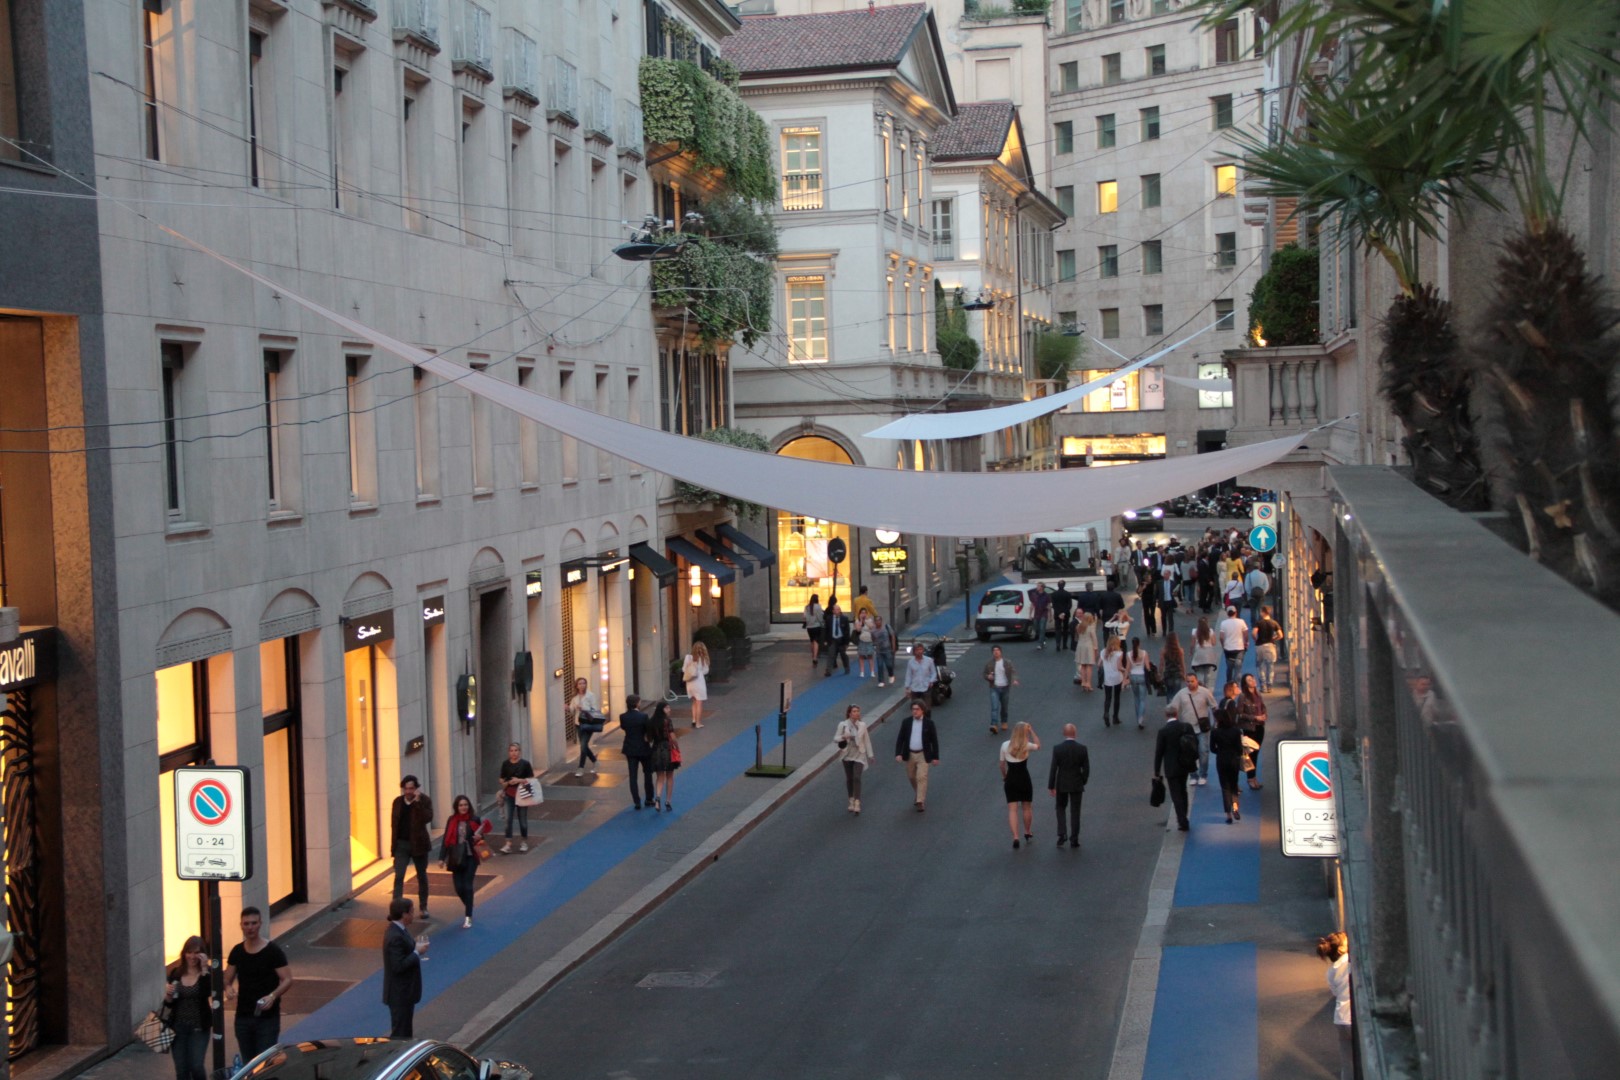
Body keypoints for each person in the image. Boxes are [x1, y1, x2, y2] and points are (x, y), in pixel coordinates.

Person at [224, 907, 291, 1062]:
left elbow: (287, 979)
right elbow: (227, 978)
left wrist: (272, 996)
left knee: (265, 1062)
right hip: (243, 1016)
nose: (250, 927)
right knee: (249, 1063)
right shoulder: (237, 951)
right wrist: (228, 988)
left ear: (260, 924)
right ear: (241, 925)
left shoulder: (272, 951)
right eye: (246, 924)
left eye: (254, 923)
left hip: (267, 1018)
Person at [437, 794, 491, 928]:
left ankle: (468, 916)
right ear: (456, 807)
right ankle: (469, 903)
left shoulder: (474, 819)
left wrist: (479, 837)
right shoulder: (451, 820)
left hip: (470, 856)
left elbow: (481, 838)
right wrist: (441, 858)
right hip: (455, 857)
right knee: (458, 887)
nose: (463, 807)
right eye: (461, 805)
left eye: (466, 805)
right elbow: (445, 840)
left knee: (467, 886)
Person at [164, 936, 212, 1080]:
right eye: (189, 952)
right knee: (181, 1069)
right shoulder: (176, 973)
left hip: (199, 1027)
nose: (192, 956)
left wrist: (204, 968)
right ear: (184, 953)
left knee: (196, 1066)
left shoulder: (207, 973)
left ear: (202, 954)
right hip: (178, 1027)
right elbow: (169, 1003)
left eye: (196, 952)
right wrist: (168, 994)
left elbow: (207, 992)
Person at [381, 897, 427, 1038]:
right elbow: (398, 966)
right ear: (404, 914)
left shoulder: (400, 930)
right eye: (412, 912)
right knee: (401, 1034)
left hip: (405, 993)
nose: (413, 915)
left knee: (405, 1031)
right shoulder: (395, 936)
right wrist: (417, 952)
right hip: (399, 994)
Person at [389, 775, 434, 918]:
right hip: (401, 844)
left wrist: (418, 803)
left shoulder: (424, 800)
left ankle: (423, 907)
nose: (408, 792)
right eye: (406, 789)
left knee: (421, 876)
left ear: (416, 789)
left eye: (412, 788)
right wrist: (393, 848)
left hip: (419, 844)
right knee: (399, 875)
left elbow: (427, 818)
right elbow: (394, 825)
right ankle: (396, 910)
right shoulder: (397, 802)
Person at [1152, 704, 1198, 831]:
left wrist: (1156, 771)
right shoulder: (1186, 727)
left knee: (1175, 794)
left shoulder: (1163, 731)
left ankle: (1182, 820)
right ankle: (1184, 816)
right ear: (1177, 714)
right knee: (1183, 791)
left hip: (1171, 767)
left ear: (1166, 715)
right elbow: (1195, 743)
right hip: (1185, 765)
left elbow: (1159, 752)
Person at [1048, 722, 1091, 848]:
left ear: (1064, 733)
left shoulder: (1057, 748)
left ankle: (1062, 835)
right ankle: (1074, 838)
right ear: (1075, 734)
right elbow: (1086, 768)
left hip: (1062, 783)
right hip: (1076, 783)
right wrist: (1082, 780)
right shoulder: (1082, 748)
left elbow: (1053, 768)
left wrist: (1051, 785)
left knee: (1060, 808)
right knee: (1075, 811)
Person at [999, 722, 1041, 849]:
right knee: (1027, 807)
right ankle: (1027, 831)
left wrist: (1005, 775)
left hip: (1011, 779)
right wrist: (1032, 730)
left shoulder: (1005, 745)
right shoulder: (1026, 745)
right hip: (1024, 779)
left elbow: (1001, 764)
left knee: (1012, 809)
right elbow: (1038, 745)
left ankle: (1015, 836)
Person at [1318, 931, 1353, 1080]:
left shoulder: (1330, 972)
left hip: (1340, 1018)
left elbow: (1335, 992)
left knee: (1347, 1061)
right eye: (1346, 941)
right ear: (1341, 949)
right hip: (1352, 1018)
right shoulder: (1350, 961)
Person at [893, 700, 940, 811]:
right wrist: (898, 753)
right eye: (913, 709)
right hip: (910, 754)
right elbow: (900, 739)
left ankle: (920, 801)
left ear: (922, 710)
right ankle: (919, 793)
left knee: (921, 777)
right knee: (911, 776)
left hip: (923, 754)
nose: (915, 711)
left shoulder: (929, 724)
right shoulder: (906, 722)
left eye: (917, 709)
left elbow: (934, 741)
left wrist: (935, 757)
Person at [1210, 698, 1246, 823]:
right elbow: (1240, 749)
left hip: (1221, 761)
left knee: (1225, 788)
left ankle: (1228, 815)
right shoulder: (1235, 731)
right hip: (1233, 761)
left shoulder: (1215, 732)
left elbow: (1212, 749)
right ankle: (1235, 807)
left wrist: (1220, 751)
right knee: (1234, 786)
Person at [834, 704, 875, 814]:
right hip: (847, 754)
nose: (857, 713)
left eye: (858, 711)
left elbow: (867, 740)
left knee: (857, 777)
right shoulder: (843, 725)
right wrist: (844, 737)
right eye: (854, 711)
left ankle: (857, 801)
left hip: (859, 754)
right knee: (849, 778)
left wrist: (870, 755)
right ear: (849, 713)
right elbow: (835, 738)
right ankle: (851, 799)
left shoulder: (862, 725)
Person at [496, 743, 535, 853]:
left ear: (520, 751)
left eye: (516, 750)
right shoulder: (505, 764)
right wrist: (505, 782)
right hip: (509, 794)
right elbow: (501, 778)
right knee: (508, 819)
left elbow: (531, 779)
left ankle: (524, 841)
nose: (514, 753)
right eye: (512, 751)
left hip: (522, 794)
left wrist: (519, 780)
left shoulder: (525, 764)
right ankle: (508, 843)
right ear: (509, 752)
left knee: (522, 819)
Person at [648, 701, 683, 812]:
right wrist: (676, 747)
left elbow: (648, 738)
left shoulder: (652, 721)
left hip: (656, 749)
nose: (669, 710)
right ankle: (668, 801)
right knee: (670, 776)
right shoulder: (667, 721)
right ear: (662, 709)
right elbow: (673, 737)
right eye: (667, 708)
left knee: (659, 777)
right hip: (667, 749)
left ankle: (657, 798)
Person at [619, 694, 654, 809]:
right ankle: (649, 798)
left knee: (632, 776)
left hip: (630, 748)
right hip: (643, 748)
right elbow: (648, 730)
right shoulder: (643, 716)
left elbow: (624, 728)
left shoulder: (623, 716)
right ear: (637, 703)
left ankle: (636, 801)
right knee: (647, 774)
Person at [1237, 673, 1269, 790]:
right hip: (1250, 728)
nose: (1253, 681)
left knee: (1256, 753)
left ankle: (1254, 778)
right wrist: (1255, 718)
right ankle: (1250, 779)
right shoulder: (1242, 696)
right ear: (1245, 684)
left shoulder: (1258, 693)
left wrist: (1265, 715)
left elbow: (1262, 706)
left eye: (1253, 678)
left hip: (1260, 726)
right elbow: (1240, 714)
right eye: (1249, 680)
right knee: (1251, 754)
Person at [569, 677, 604, 776]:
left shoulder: (591, 696)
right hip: (578, 723)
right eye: (580, 683)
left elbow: (594, 709)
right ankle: (595, 762)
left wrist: (583, 709)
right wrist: (568, 708)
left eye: (584, 683)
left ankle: (581, 768)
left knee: (583, 745)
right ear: (576, 685)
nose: (582, 685)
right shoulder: (575, 697)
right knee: (583, 746)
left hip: (589, 723)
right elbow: (572, 711)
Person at [982, 645, 1018, 734]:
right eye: (994, 650)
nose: (996, 652)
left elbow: (1013, 672)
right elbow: (984, 674)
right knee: (994, 707)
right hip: (994, 688)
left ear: (1001, 652)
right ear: (992, 653)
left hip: (1005, 687)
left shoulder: (1007, 662)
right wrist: (988, 676)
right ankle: (993, 725)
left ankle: (1004, 722)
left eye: (997, 650)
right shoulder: (989, 664)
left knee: (1004, 707)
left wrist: (1014, 680)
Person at [1253, 605, 1284, 692]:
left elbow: (1253, 633)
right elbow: (1281, 635)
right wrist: (1274, 639)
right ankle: (1269, 685)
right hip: (1270, 646)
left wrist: (1256, 639)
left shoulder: (1259, 623)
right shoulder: (1274, 623)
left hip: (1260, 646)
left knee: (1260, 666)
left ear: (1263, 612)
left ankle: (1263, 685)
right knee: (1270, 666)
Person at [1218, 606, 1250, 687]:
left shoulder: (1223, 623)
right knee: (1238, 669)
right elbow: (1246, 634)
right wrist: (1246, 642)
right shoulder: (1241, 622)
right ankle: (1237, 685)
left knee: (1229, 668)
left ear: (1227, 613)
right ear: (1236, 612)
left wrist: (1223, 645)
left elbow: (1221, 637)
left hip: (1228, 648)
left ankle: (1229, 683)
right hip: (1239, 647)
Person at [1100, 638, 1128, 726]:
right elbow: (1119, 667)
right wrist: (1125, 670)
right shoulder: (1119, 653)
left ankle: (1106, 713)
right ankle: (1115, 717)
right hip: (1117, 677)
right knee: (1117, 697)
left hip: (1107, 678)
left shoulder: (1103, 652)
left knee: (1107, 697)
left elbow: (1098, 664)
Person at [683, 642, 710, 728]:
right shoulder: (703, 659)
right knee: (699, 703)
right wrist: (699, 671)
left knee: (694, 701)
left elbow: (684, 669)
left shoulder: (688, 657)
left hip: (690, 682)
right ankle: (698, 723)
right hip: (699, 682)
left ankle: (694, 719)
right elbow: (706, 671)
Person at [1190, 617, 1220, 690]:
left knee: (1199, 672)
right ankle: (1206, 687)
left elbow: (1192, 644)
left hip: (1199, 653)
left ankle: (1200, 686)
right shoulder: (1210, 631)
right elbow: (1214, 643)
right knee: (1207, 672)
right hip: (1209, 654)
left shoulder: (1195, 631)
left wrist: (1190, 651)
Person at [903, 642, 937, 706]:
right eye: (917, 650)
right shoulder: (911, 662)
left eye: (920, 649)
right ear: (914, 651)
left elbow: (933, 673)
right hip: (915, 688)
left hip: (926, 687)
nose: (919, 651)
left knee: (927, 708)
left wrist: (931, 681)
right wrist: (907, 687)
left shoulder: (929, 660)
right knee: (916, 707)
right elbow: (909, 675)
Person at [822, 601, 851, 675]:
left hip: (841, 639)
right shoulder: (829, 619)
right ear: (833, 611)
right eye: (836, 609)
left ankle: (847, 667)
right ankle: (828, 670)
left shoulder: (844, 618)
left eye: (839, 609)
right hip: (832, 639)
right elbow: (826, 629)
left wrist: (847, 642)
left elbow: (847, 631)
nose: (837, 611)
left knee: (843, 655)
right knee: (831, 655)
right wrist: (825, 640)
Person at [1072, 611, 1098, 691]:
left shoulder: (1079, 626)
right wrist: (1096, 648)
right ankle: (1088, 683)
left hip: (1080, 646)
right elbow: (1094, 638)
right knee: (1089, 666)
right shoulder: (1091, 627)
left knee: (1082, 665)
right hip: (1088, 647)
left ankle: (1083, 682)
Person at [1159, 632, 1186, 702]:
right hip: (1177, 674)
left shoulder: (1164, 651)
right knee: (1177, 694)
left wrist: (1160, 674)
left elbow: (1161, 664)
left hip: (1168, 675)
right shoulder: (1180, 651)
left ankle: (1169, 708)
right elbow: (1182, 664)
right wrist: (1184, 674)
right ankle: (1175, 709)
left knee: (1169, 693)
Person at [872, 615, 897, 686]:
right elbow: (873, 639)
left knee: (889, 664)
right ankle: (881, 680)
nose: (878, 622)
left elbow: (892, 636)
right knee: (880, 665)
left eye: (879, 620)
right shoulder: (873, 631)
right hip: (879, 650)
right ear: (874, 622)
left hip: (887, 649)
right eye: (876, 621)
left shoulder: (886, 627)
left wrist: (893, 646)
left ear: (881, 621)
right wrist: (875, 645)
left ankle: (891, 674)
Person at [1244, 562, 1271, 627]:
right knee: (1260, 609)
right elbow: (1267, 585)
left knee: (1252, 610)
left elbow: (1246, 586)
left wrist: (1250, 593)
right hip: (1261, 595)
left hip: (1252, 596)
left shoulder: (1249, 575)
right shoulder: (1263, 575)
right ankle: (1260, 624)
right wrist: (1263, 592)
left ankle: (1253, 624)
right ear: (1259, 567)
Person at [1051, 580, 1075, 651]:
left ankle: (1058, 644)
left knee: (1058, 629)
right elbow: (1069, 605)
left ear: (1058, 585)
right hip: (1066, 614)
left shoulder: (1054, 594)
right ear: (1064, 585)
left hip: (1057, 614)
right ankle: (1064, 645)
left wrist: (1059, 613)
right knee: (1065, 629)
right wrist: (1064, 613)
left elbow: (1054, 605)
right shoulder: (1067, 594)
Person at [854, 611, 876, 678]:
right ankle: (862, 672)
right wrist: (861, 621)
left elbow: (872, 627)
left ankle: (872, 671)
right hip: (862, 640)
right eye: (862, 613)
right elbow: (858, 630)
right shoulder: (857, 621)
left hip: (869, 640)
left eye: (864, 613)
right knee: (861, 656)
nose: (863, 614)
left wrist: (865, 621)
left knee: (870, 656)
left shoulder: (869, 620)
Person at [804, 594, 824, 666]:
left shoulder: (807, 607)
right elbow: (820, 616)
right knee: (816, 642)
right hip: (816, 626)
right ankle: (815, 657)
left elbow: (804, 617)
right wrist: (822, 623)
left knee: (812, 641)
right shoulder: (818, 606)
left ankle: (813, 656)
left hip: (809, 627)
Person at [1030, 582, 1051, 649]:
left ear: (1042, 587)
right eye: (1037, 586)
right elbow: (1032, 605)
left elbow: (1049, 606)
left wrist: (1050, 616)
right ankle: (1043, 638)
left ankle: (1040, 644)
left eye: (1038, 586)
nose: (1037, 587)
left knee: (1042, 628)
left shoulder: (1046, 595)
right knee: (1036, 628)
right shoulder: (1034, 595)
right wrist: (1030, 614)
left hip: (1044, 613)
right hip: (1036, 613)